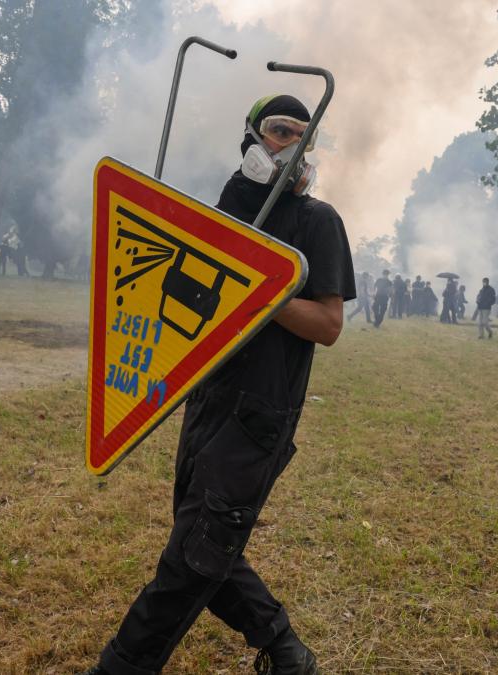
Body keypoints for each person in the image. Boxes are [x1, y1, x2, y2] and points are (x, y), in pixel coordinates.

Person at [87, 93, 353, 675]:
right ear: (254, 137)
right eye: (281, 131)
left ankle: (121, 665)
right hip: (205, 395)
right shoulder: (228, 204)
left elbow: (329, 325)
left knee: (197, 550)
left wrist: (266, 291)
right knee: (203, 538)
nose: (292, 145)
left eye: (303, 136)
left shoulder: (318, 221)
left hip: (262, 409)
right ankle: (285, 650)